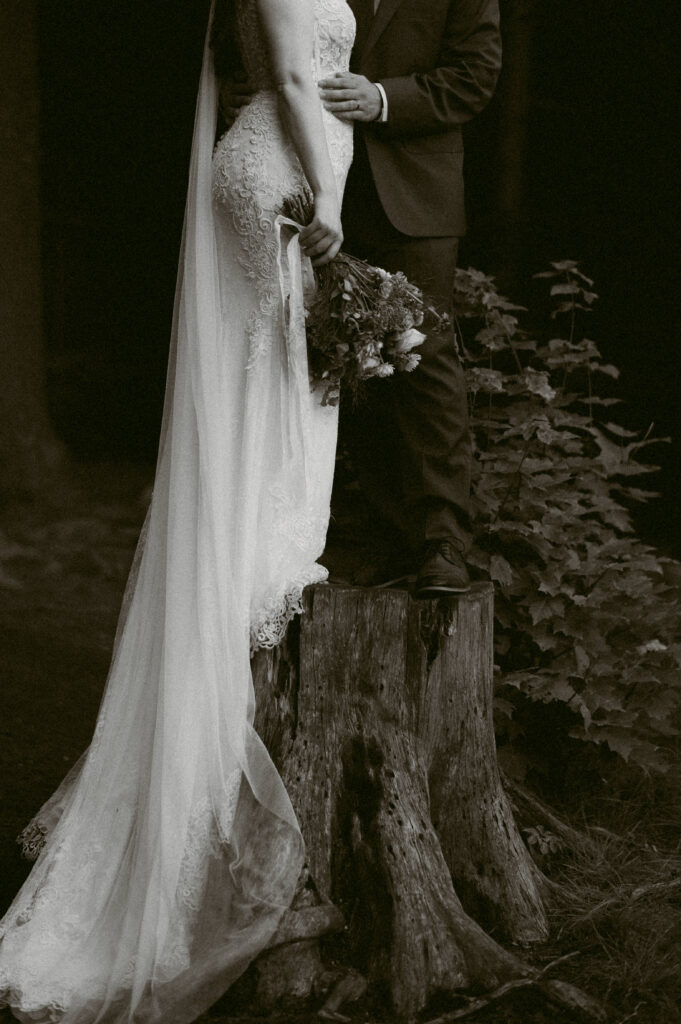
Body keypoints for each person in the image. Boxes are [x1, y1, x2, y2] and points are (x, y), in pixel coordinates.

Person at [0, 2, 354, 1022]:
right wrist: (328, 192)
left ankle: (255, 542)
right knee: (271, 369)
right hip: (280, 163)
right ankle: (261, 554)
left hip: (268, 156)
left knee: (272, 370)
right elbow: (291, 77)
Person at [320, 0, 502, 595]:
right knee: (353, 364)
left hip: (417, 194)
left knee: (427, 361)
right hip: (328, 191)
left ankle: (443, 542)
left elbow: (476, 75)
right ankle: (385, 537)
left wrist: (384, 99)